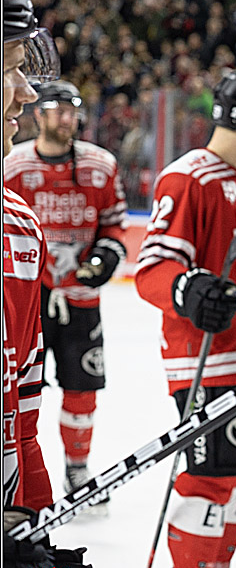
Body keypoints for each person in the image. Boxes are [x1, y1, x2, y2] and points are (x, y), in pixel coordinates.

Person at [135, 70, 236, 568]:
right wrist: (190, 289)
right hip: (208, 362)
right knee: (211, 478)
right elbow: (153, 269)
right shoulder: (187, 178)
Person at [3, 0, 93, 568]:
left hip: (76, 301)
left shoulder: (17, 226)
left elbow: (22, 404)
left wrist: (27, 512)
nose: (26, 96)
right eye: (10, 69)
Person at [4, 79, 127, 514]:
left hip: (81, 301)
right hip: (29, 304)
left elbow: (114, 223)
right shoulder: (13, 165)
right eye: (59, 110)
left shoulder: (100, 164)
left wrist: (105, 257)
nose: (68, 119)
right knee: (20, 391)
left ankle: (77, 468)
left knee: (82, 388)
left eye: (73, 111)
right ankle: (16, 466)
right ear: (38, 114)